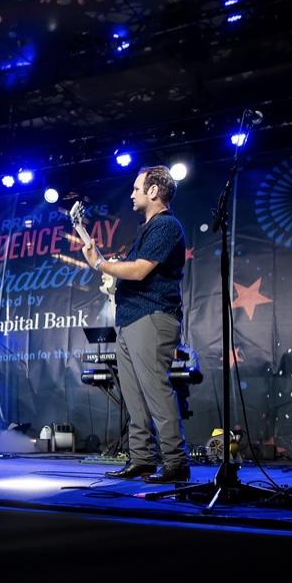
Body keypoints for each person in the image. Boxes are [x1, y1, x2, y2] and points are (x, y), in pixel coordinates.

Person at [82, 166, 188, 483]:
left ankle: (175, 463)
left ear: (154, 191)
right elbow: (133, 272)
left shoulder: (166, 226)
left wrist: (101, 263)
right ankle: (142, 458)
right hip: (130, 319)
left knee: (155, 392)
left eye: (137, 187)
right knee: (134, 397)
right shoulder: (146, 229)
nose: (132, 193)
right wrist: (106, 267)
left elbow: (140, 271)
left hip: (153, 317)